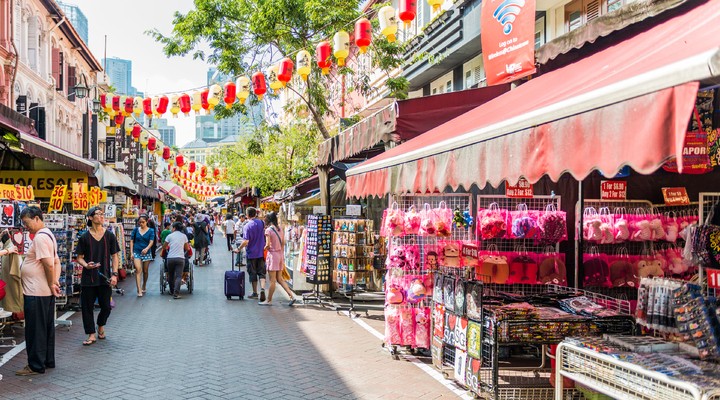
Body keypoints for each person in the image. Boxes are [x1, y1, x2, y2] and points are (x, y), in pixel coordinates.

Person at [16, 206, 61, 376]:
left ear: (36, 218)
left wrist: (51, 283)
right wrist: (54, 283)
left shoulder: (41, 238)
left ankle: (35, 365)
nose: (25, 226)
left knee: (35, 330)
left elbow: (49, 263)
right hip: (43, 291)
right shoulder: (49, 235)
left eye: (27, 223)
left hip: (36, 292)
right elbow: (56, 262)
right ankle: (46, 360)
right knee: (46, 328)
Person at [75, 206, 120, 346]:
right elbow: (79, 257)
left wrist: (114, 274)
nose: (101, 216)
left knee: (106, 307)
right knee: (87, 307)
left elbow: (115, 256)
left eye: (102, 214)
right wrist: (86, 265)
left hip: (105, 277)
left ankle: (100, 325)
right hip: (89, 278)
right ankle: (91, 334)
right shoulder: (84, 237)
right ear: (90, 217)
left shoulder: (109, 236)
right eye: (98, 214)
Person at [262, 212, 300, 306]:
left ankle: (269, 300)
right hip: (279, 255)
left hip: (273, 256)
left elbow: (267, 245)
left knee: (272, 280)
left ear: (268, 219)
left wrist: (263, 249)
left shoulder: (268, 230)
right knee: (280, 279)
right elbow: (283, 243)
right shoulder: (280, 229)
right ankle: (291, 296)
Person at [236, 207, 266, 302]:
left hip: (251, 253)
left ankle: (255, 292)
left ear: (247, 215)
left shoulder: (247, 226)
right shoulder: (262, 223)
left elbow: (246, 241)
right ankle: (262, 289)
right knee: (261, 272)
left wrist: (239, 248)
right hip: (261, 252)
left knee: (252, 273)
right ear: (255, 214)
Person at [163, 222, 191, 299]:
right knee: (179, 276)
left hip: (170, 258)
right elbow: (187, 248)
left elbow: (164, 246)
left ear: (174, 228)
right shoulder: (184, 236)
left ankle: (171, 291)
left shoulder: (169, 236)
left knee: (171, 275)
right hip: (180, 258)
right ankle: (176, 293)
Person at [130, 215, 155, 297]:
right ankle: (139, 289)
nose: (141, 224)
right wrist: (131, 252)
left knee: (145, 271)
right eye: (140, 222)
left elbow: (151, 241)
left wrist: (147, 249)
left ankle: (144, 284)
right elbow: (131, 241)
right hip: (137, 251)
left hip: (146, 253)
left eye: (143, 222)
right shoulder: (135, 230)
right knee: (138, 270)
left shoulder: (151, 231)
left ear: (146, 222)